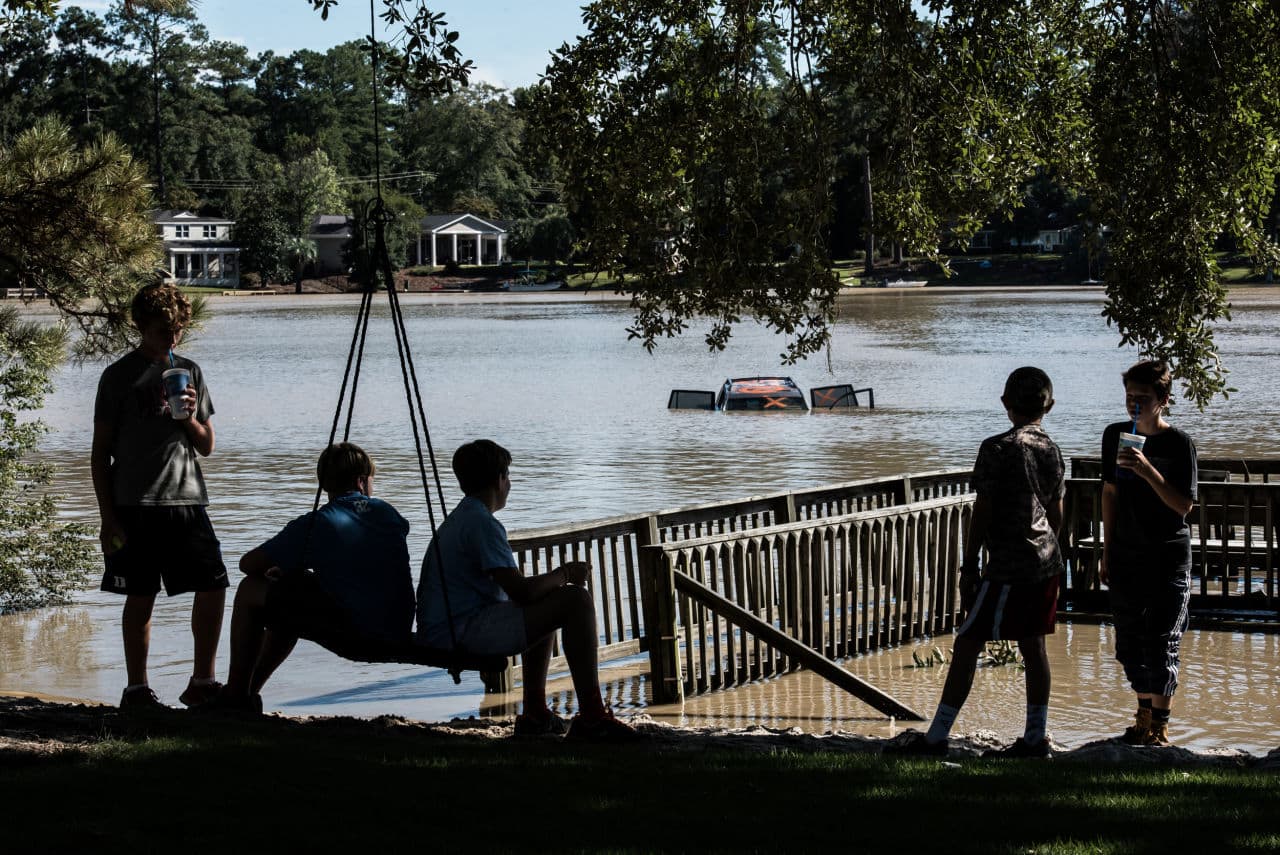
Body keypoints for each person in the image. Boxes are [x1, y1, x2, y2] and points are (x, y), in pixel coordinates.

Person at [888, 367, 1065, 758]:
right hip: (1046, 561)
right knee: (1033, 647)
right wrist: (1051, 552)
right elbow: (1056, 514)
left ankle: (935, 738)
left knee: (968, 643)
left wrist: (969, 565)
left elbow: (983, 510)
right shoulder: (1051, 450)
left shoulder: (996, 448)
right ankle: (1035, 737)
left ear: (1005, 404)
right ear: (1049, 406)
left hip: (1009, 565)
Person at [417, 439, 638, 741]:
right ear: (499, 479)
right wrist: (566, 574)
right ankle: (592, 716)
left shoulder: (464, 518)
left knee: (548, 600)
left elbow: (521, 591)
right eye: (507, 476)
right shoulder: (482, 523)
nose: (509, 484)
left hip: (448, 626)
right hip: (457, 632)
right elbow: (522, 592)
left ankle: (535, 712)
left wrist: (551, 583)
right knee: (576, 600)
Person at [91, 283, 226, 711]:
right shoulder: (118, 377)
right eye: (162, 331)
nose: (171, 339)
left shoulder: (190, 371)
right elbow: (99, 454)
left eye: (178, 330)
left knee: (214, 585)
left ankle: (202, 682)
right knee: (141, 593)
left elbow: (207, 445)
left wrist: (187, 417)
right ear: (140, 326)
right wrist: (107, 518)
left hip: (186, 497)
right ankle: (137, 690)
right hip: (134, 502)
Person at [211, 443, 414, 712]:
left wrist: (289, 567)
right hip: (397, 626)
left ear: (324, 483)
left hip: (359, 635)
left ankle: (236, 693)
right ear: (361, 481)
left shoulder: (316, 524)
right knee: (291, 592)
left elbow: (247, 564)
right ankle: (246, 694)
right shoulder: (390, 514)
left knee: (253, 590)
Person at [1100, 360, 1197, 746]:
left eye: (1142, 398)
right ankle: (1142, 717)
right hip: (1126, 552)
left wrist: (1148, 471)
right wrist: (1106, 551)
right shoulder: (1114, 435)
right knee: (1129, 641)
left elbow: (1183, 506)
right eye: (1129, 398)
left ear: (1163, 400)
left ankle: (1160, 725)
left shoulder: (1179, 444)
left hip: (1167, 556)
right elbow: (1110, 493)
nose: (1134, 406)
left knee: (1163, 639)